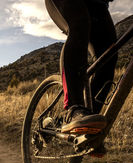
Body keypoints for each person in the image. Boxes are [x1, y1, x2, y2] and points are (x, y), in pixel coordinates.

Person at [45, 0, 117, 135]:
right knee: (79, 24)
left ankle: (87, 128)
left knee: (109, 57)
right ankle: (74, 108)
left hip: (98, 4)